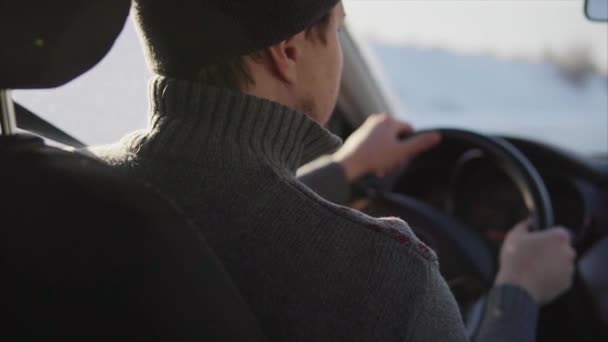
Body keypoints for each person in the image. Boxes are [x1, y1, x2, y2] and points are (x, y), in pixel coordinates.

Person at [94, 1, 575, 341]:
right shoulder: (385, 274)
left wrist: (344, 170)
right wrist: (519, 291)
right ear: (289, 53)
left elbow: (217, 211)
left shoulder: (59, 185)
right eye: (338, 29)